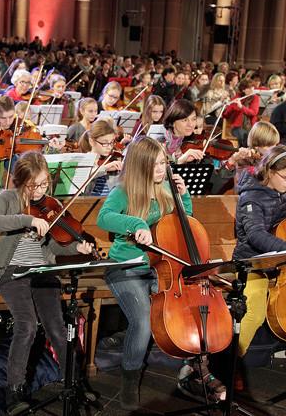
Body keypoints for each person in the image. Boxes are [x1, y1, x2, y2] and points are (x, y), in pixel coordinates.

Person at [95, 136, 223, 409]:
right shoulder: (123, 192)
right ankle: (129, 378)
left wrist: (184, 197)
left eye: (163, 163)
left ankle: (196, 371)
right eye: (154, 165)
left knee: (188, 312)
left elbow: (183, 224)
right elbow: (103, 218)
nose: (161, 169)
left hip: (162, 268)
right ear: (140, 166)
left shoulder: (166, 189)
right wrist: (135, 223)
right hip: (126, 267)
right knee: (142, 321)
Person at [0, 151, 94, 415]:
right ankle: (15, 390)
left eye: (44, 184)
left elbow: (57, 245)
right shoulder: (8, 198)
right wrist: (28, 219)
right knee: (26, 326)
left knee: (57, 327)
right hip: (12, 272)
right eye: (34, 185)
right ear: (21, 181)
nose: (40, 190)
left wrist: (77, 247)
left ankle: (74, 383)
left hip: (43, 271)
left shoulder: (51, 205)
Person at [232, 146, 286, 388]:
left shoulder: (282, 192)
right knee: (254, 312)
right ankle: (231, 361)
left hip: (278, 263)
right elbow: (256, 235)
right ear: (270, 171)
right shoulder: (251, 197)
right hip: (252, 264)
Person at [80, 118, 123, 195]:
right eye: (104, 143)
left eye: (111, 142)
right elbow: (83, 177)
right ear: (92, 141)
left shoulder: (113, 160)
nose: (109, 147)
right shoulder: (83, 161)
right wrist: (104, 168)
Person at [225, 79, 260, 147]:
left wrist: (241, 107)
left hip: (251, 127)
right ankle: (242, 151)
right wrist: (226, 107)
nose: (251, 90)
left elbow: (253, 113)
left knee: (247, 134)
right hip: (237, 127)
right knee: (242, 133)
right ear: (243, 90)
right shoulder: (237, 98)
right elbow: (226, 115)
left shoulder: (255, 97)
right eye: (248, 88)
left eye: (252, 87)